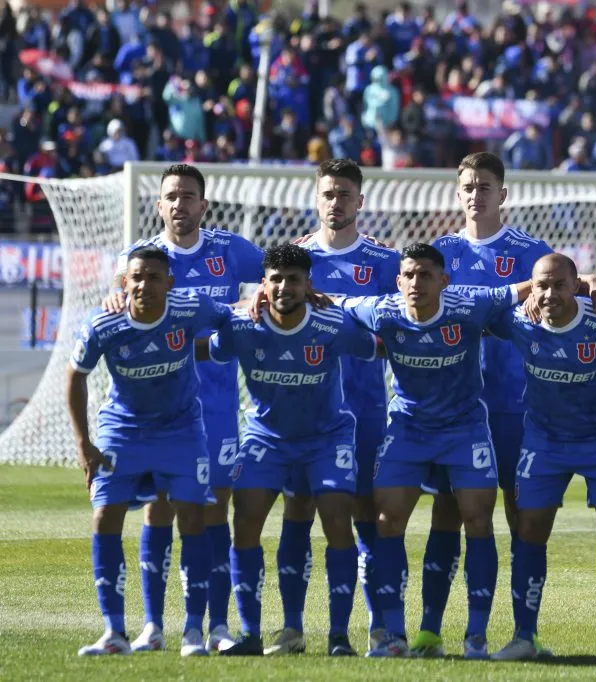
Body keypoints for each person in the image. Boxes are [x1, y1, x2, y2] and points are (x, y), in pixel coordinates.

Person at [416, 152, 596, 656]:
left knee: (524, 519)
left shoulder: (531, 252)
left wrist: (589, 282)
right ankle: (432, 631)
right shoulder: (439, 253)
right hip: (455, 410)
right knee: (448, 514)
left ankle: (525, 632)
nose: (476, 194)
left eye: (485, 186)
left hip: (519, 409)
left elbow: (570, 286)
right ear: (458, 193)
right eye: (468, 186)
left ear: (503, 194)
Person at [341, 242, 534, 659]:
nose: (416, 283)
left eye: (426, 275)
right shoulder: (382, 310)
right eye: (408, 275)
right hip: (408, 428)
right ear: (398, 281)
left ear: (444, 281)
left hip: (465, 429)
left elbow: (523, 287)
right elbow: (335, 301)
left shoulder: (468, 305)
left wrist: (588, 282)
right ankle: (393, 635)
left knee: (478, 520)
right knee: (386, 519)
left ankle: (476, 637)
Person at [103, 164, 265, 653]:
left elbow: (278, 274)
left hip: (215, 408)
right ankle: (154, 626)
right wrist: (115, 293)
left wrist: (259, 294)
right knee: (158, 513)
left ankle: (215, 627)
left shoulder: (230, 250)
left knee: (214, 513)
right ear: (159, 205)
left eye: (188, 196)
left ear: (203, 204)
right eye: (170, 196)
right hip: (160, 413)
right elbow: (117, 291)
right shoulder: (142, 259)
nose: (179, 204)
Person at [254, 160, 400, 656]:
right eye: (327, 194)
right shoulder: (292, 261)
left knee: (366, 511)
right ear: (316, 199)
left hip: (365, 408)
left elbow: (393, 335)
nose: (335, 202)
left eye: (344, 194)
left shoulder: (385, 263)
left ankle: (378, 627)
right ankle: (292, 627)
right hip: (304, 412)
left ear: (360, 201)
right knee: (299, 506)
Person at [205, 244, 379, 657]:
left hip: (327, 437)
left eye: (294, 280)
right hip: (267, 438)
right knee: (245, 521)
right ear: (263, 285)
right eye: (276, 279)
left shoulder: (332, 323)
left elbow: (375, 346)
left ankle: (339, 636)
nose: (285, 287)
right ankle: (251, 633)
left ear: (308, 285)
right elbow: (210, 341)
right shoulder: (241, 324)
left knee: (338, 520)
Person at [69, 246, 234, 656]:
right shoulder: (104, 323)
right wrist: (84, 444)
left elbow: (231, 317)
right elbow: (75, 376)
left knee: (193, 516)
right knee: (105, 513)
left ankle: (193, 630)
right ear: (125, 282)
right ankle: (114, 632)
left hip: (181, 430)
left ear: (170, 283)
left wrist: (215, 348)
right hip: (123, 429)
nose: (144, 284)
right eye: (136, 277)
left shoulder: (189, 308)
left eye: (154, 277)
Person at [486, 254, 596, 660]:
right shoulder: (518, 319)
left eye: (559, 285)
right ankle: (523, 637)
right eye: (541, 286)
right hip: (544, 441)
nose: (549, 294)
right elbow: (473, 308)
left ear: (575, 287)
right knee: (529, 530)